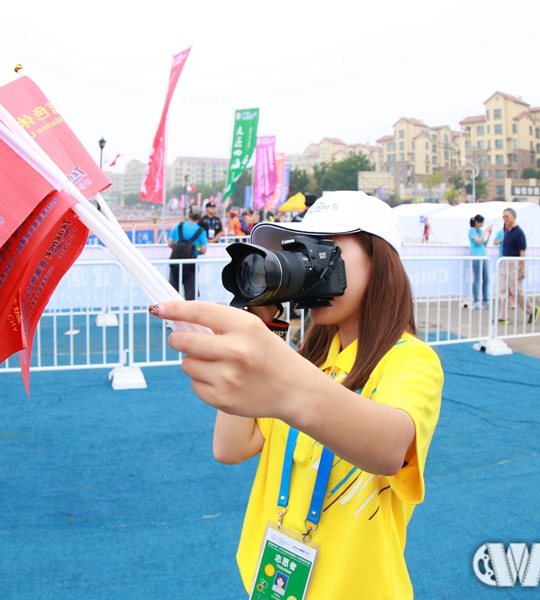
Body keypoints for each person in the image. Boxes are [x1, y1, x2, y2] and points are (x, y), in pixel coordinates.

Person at [149, 191, 443, 599]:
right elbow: (230, 447)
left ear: (380, 261)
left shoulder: (409, 359)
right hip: (277, 583)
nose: (307, 264)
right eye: (298, 249)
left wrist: (281, 375)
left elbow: (391, 448)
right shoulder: (310, 359)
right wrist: (261, 326)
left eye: (324, 249)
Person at [497, 208, 539, 325]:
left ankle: (531, 309)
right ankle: (503, 316)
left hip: (514, 262)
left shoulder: (519, 232)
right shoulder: (506, 231)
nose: (505, 219)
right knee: (502, 289)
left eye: (507, 216)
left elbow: (522, 251)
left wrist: (522, 268)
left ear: (513, 217)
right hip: (505, 261)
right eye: (503, 217)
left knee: (515, 289)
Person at [167, 205, 208, 301]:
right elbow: (203, 250)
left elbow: (170, 243)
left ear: (189, 214)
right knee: (191, 294)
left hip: (175, 263)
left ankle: (172, 314)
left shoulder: (178, 226)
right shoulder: (201, 231)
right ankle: (190, 314)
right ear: (200, 217)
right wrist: (194, 251)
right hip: (190, 264)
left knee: (172, 292)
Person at [469, 215, 491, 309]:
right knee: (477, 279)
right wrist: (485, 232)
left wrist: (488, 234)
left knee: (486, 279)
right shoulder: (471, 231)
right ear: (477, 222)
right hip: (477, 256)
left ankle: (485, 300)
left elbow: (484, 243)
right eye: (480, 222)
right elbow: (478, 241)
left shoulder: (481, 232)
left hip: (484, 255)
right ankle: (476, 301)